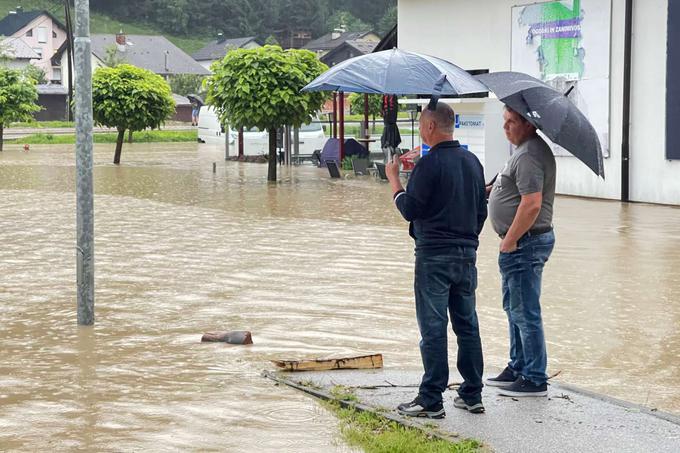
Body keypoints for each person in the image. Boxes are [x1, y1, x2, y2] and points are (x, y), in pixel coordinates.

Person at [386, 102, 487, 418]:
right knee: (467, 325)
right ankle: (472, 393)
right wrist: (467, 239)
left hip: (433, 257)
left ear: (429, 127)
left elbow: (410, 210)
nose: (419, 130)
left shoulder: (427, 166)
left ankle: (431, 398)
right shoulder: (473, 162)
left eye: (420, 124)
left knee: (433, 327)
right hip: (467, 254)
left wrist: (394, 180)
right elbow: (481, 211)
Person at [486, 106, 556, 397]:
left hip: (524, 244)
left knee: (525, 311)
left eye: (511, 122)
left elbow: (532, 204)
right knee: (513, 308)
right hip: (519, 243)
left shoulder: (528, 155)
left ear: (528, 125)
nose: (505, 128)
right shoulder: (524, 150)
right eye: (504, 122)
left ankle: (534, 378)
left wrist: (509, 241)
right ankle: (518, 366)